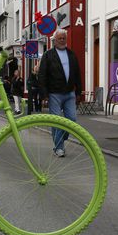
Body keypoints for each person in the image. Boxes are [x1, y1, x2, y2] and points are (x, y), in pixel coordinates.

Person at [38, 29, 82, 157]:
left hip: (69, 93)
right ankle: (59, 148)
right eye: (60, 38)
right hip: (54, 93)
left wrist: (79, 91)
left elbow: (77, 73)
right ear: (54, 40)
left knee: (72, 120)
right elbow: (42, 75)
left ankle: (60, 139)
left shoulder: (71, 54)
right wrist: (44, 94)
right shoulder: (48, 55)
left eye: (64, 38)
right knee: (56, 122)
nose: (62, 40)